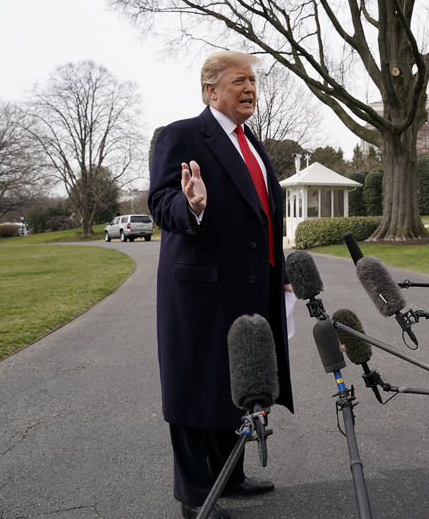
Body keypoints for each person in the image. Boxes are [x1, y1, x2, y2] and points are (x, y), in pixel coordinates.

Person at [149, 51, 293, 519]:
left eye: (253, 80)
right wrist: (191, 206)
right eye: (239, 81)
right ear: (210, 91)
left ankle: (229, 476)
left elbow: (266, 219)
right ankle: (195, 500)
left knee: (240, 382)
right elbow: (162, 202)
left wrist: (282, 275)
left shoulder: (252, 142)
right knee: (196, 392)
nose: (250, 88)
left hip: (251, 288)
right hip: (201, 293)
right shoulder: (181, 135)